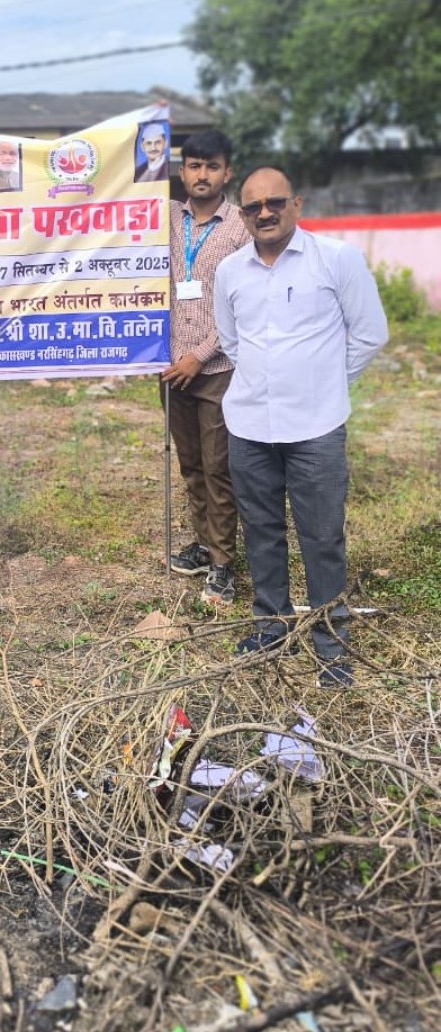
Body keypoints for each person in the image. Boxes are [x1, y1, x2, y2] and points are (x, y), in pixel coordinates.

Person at [214, 166, 388, 686]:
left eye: (275, 202)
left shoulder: (336, 259)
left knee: (321, 536)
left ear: (297, 205)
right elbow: (231, 341)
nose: (264, 213)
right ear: (242, 215)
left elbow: (369, 334)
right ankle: (271, 626)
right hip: (248, 424)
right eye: (252, 207)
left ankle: (331, 646)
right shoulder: (230, 271)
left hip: (315, 426)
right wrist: (267, 382)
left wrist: (323, 382)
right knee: (261, 531)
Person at [161, 130, 250, 604]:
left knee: (219, 468)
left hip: (217, 369)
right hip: (171, 369)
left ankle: (222, 564)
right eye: (194, 165)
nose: (202, 174)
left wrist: (199, 356)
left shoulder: (240, 227)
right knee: (191, 464)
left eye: (211, 166)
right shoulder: (163, 221)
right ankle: (203, 543)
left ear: (226, 172)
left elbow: (240, 306)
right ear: (182, 171)